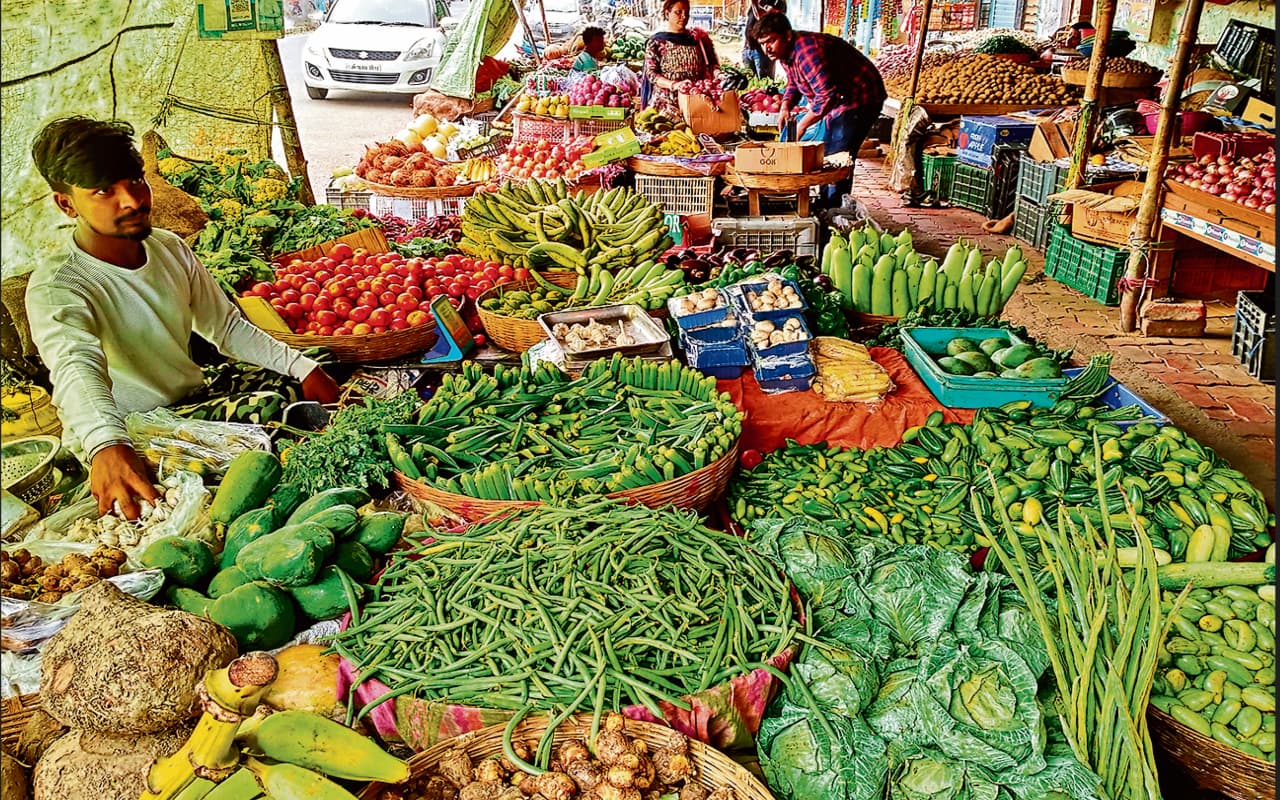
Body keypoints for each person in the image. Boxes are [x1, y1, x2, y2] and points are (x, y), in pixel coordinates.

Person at [26, 116, 341, 520]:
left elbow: (225, 326)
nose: (132, 200)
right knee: (268, 412)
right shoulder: (60, 285)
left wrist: (304, 367)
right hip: (129, 428)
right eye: (104, 191)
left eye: (135, 180)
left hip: (189, 396)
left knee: (318, 364)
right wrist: (106, 443)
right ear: (66, 203)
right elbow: (75, 365)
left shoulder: (169, 248)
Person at [752, 13, 886, 209]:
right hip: (840, 100)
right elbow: (794, 82)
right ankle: (826, 203)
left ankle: (834, 209)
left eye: (771, 41)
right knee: (829, 150)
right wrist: (785, 106)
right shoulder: (785, 54)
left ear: (787, 35)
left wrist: (801, 125)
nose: (767, 48)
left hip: (860, 98)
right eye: (762, 44)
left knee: (838, 155)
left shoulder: (807, 51)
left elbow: (826, 97)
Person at [642, 0, 720, 120]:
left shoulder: (699, 39)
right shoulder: (657, 42)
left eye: (687, 13)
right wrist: (674, 85)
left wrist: (719, 75)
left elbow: (712, 64)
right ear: (667, 14)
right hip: (667, 105)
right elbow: (652, 74)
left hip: (696, 102)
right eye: (678, 12)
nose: (684, 16)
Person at [743, 0, 786, 79]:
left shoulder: (777, 2)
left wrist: (754, 3)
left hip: (762, 51)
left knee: (765, 82)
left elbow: (762, 18)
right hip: (748, 48)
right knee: (750, 83)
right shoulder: (759, 2)